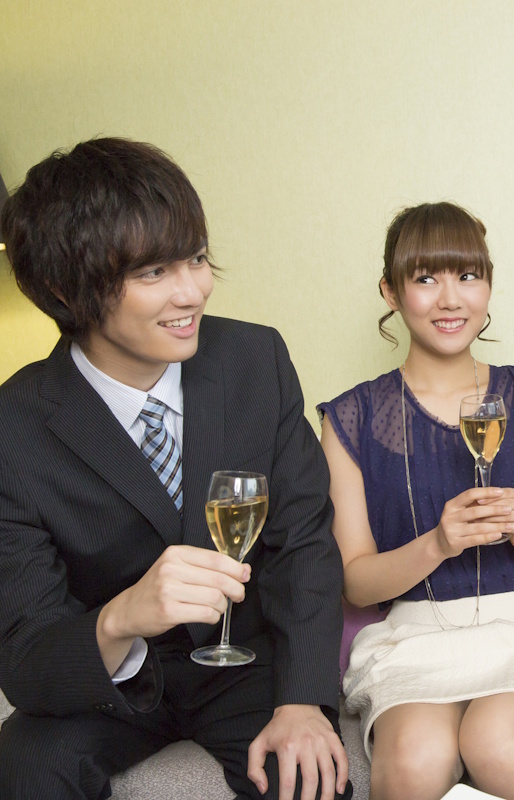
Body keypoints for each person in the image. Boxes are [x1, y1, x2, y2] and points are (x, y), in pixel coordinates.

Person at [0, 138, 351, 799]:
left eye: (194, 258)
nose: (193, 291)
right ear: (61, 289)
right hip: (109, 686)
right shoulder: (13, 428)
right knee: (22, 767)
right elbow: (25, 655)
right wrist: (121, 617)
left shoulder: (256, 360)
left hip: (246, 667)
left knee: (310, 780)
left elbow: (303, 544)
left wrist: (305, 702)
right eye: (153, 274)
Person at [318, 201, 514, 800]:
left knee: (498, 743)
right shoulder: (353, 418)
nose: (451, 299)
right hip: (416, 637)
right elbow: (358, 583)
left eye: (468, 277)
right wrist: (438, 543)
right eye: (426, 278)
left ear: (488, 285)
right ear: (391, 292)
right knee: (412, 761)